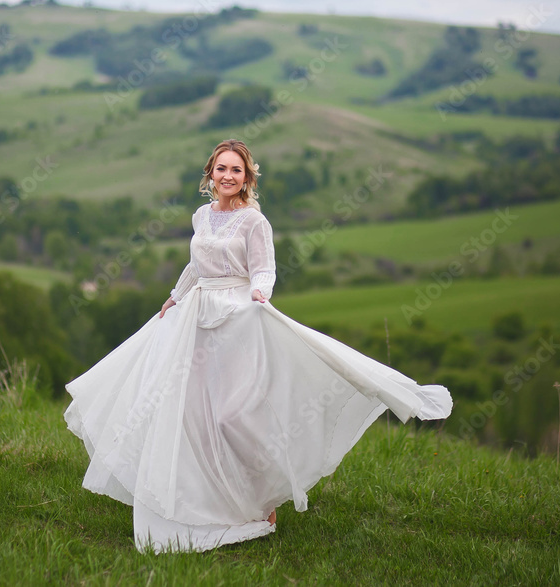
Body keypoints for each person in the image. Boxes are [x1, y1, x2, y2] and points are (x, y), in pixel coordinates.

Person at [64, 139, 452, 553]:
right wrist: (175, 296)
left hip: (239, 318)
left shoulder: (254, 222)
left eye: (236, 170)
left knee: (234, 416)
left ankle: (263, 497)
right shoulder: (201, 216)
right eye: (220, 169)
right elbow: (196, 265)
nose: (227, 176)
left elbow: (263, 268)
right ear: (209, 174)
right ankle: (202, 503)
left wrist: (259, 296)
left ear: (247, 177)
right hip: (196, 319)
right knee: (193, 415)